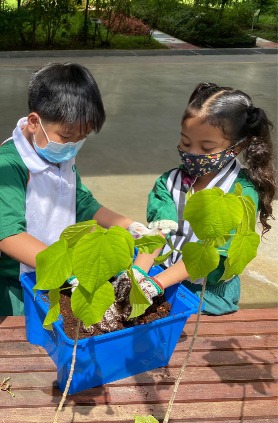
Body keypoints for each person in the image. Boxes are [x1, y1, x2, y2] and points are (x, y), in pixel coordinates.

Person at [95, 81, 276, 332]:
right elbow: (158, 233)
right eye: (186, 143)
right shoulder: (169, 182)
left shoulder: (241, 194)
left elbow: (215, 256)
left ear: (239, 147)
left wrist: (155, 285)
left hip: (207, 293)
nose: (193, 154)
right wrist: (137, 275)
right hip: (165, 275)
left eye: (207, 148)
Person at [0, 62, 153, 316]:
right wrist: (70, 267)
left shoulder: (58, 153)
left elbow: (79, 200)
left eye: (82, 137)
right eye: (67, 136)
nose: (73, 145)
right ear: (34, 122)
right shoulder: (9, 165)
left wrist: (129, 226)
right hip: (18, 285)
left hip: (57, 275)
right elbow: (9, 236)